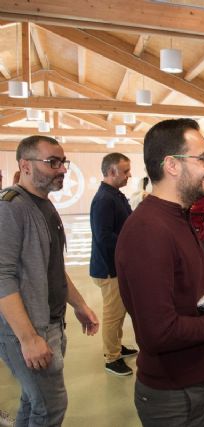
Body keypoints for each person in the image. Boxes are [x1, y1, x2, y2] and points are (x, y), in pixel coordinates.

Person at [115, 119, 204, 427]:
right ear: (172, 165)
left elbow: (195, 283)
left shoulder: (175, 218)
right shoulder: (148, 231)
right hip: (175, 394)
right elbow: (159, 333)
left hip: (195, 382)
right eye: (203, 158)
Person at [0, 135, 99, 426]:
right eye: (52, 162)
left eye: (63, 162)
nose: (62, 169)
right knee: (51, 408)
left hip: (51, 323)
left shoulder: (44, 205)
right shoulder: (11, 208)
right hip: (26, 331)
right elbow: (2, 277)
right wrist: (29, 338)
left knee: (34, 401)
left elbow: (52, 268)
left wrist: (80, 305)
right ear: (25, 166)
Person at [89, 152, 138, 376]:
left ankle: (117, 346)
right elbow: (104, 236)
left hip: (118, 266)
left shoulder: (115, 195)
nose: (129, 175)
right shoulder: (104, 199)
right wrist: (130, 246)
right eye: (125, 171)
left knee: (120, 310)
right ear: (111, 172)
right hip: (109, 268)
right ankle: (112, 357)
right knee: (113, 313)